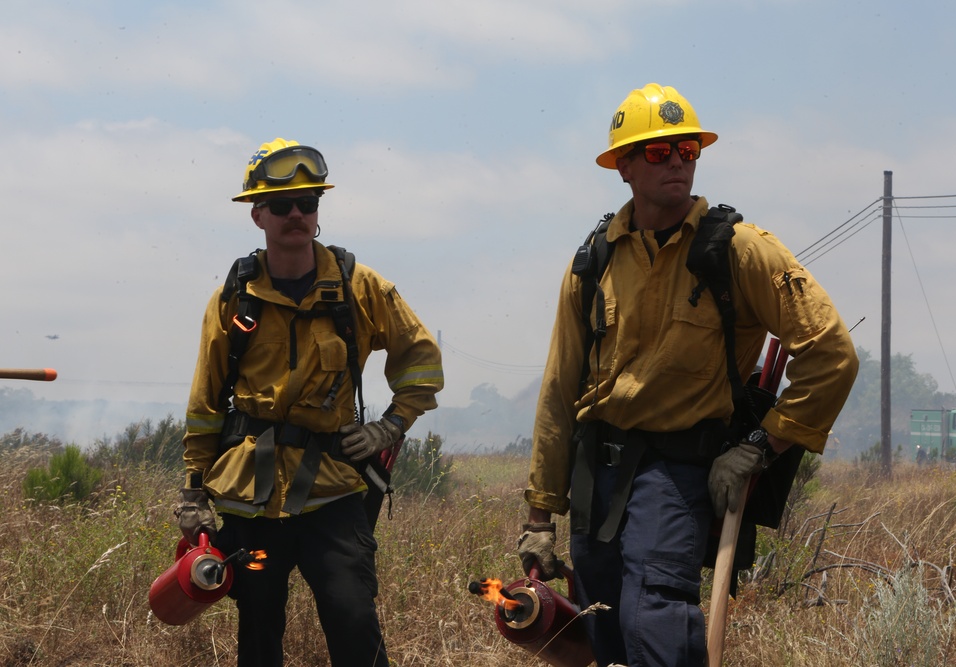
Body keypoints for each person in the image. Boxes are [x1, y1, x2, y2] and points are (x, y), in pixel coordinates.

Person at [516, 84, 859, 666]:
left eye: (687, 149)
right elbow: (558, 391)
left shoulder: (740, 252)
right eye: (657, 151)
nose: (677, 159)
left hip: (678, 472)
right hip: (594, 476)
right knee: (605, 628)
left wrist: (759, 446)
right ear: (623, 166)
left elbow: (831, 352)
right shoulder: (591, 262)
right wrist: (539, 516)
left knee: (654, 617)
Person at [176, 137, 444, 666]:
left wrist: (389, 428)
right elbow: (206, 402)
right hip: (248, 496)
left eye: (308, 202)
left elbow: (422, 364)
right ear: (258, 215)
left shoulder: (359, 287)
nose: (296, 214)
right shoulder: (235, 297)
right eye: (281, 205)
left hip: (334, 491)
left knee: (354, 620)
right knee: (257, 631)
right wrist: (192, 494)